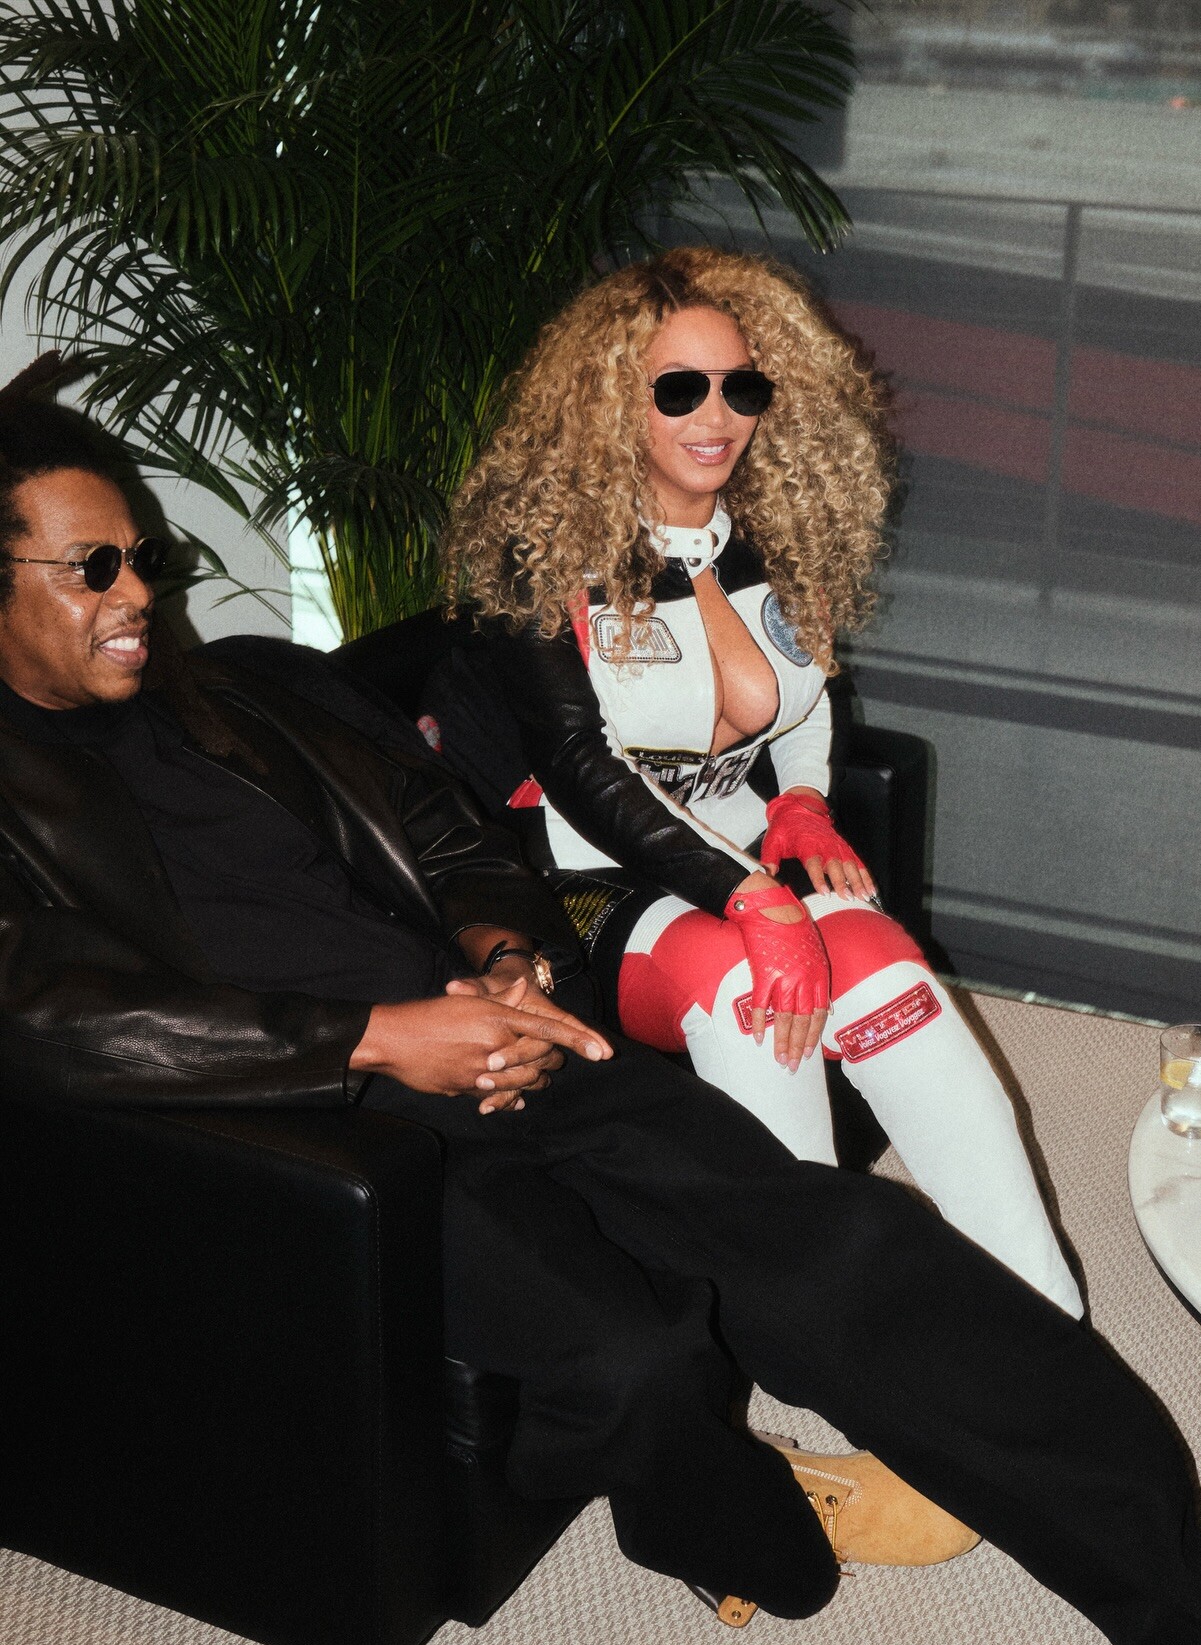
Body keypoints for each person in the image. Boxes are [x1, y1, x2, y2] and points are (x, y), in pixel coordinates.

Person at [1, 381, 1201, 1645]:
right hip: (323, 1147)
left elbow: (453, 841)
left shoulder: (251, 693)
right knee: (635, 1358)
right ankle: (751, 1528)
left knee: (839, 1238)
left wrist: (507, 961)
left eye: (143, 556)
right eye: (91, 569)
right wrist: (376, 1039)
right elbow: (50, 1017)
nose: (140, 594)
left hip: (514, 1047)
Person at [430, 246, 1082, 1318]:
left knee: (886, 966)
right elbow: (582, 772)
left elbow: (810, 702)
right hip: (592, 880)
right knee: (749, 985)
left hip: (741, 859)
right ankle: (819, 1319)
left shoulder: (762, 544)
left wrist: (803, 801)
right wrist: (755, 899)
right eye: (680, 388)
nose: (718, 415)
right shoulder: (543, 563)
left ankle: (1043, 1314)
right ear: (611, 401)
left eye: (742, 387)